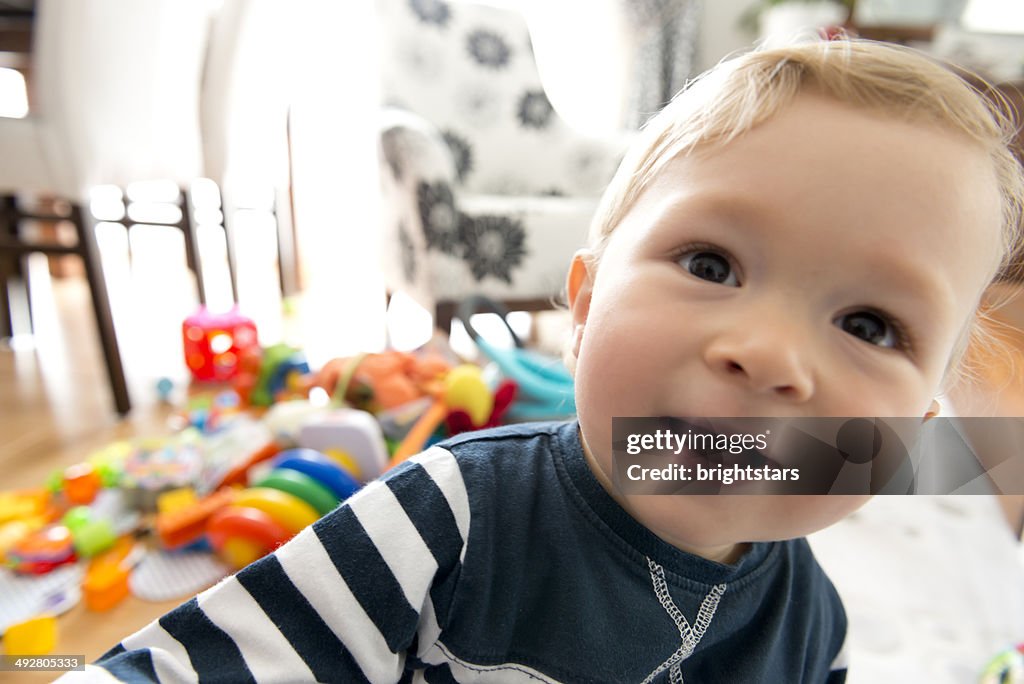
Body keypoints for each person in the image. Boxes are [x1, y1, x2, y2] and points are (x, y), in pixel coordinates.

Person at [61, 38, 1023, 683]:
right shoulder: (452, 515)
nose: (770, 356)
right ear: (588, 298)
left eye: (869, 325)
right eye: (710, 263)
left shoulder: (811, 624)